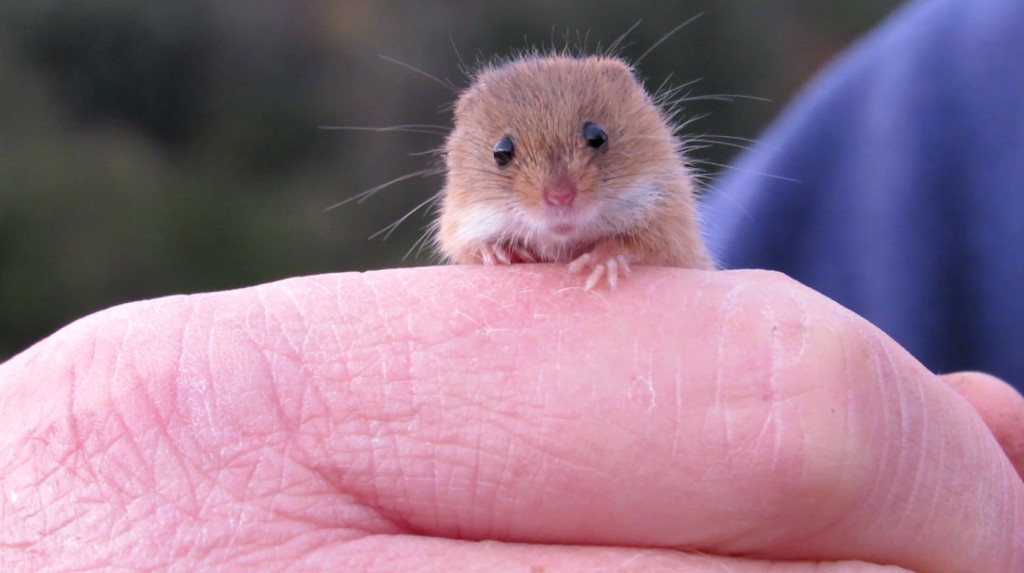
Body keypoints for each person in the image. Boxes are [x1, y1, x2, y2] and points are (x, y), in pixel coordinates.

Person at [1, 0, 1022, 571]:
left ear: (622, 122)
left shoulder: (664, 177)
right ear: (471, 152)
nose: (561, 187)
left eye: (585, 147)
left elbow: (704, 276)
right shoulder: (941, 94)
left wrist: (627, 258)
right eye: (513, 158)